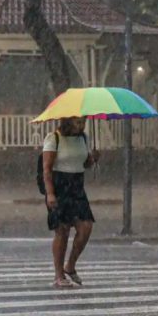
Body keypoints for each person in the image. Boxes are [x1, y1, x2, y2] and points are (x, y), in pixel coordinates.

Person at [42, 117, 99, 288]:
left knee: (86, 227)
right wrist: (50, 193)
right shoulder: (54, 138)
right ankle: (59, 275)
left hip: (77, 187)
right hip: (59, 186)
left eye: (83, 122)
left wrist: (93, 159)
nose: (81, 126)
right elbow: (47, 169)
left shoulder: (83, 138)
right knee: (62, 231)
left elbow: (84, 163)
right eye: (77, 122)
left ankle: (70, 265)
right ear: (68, 121)